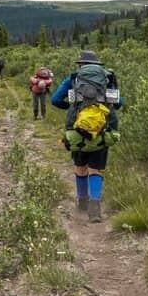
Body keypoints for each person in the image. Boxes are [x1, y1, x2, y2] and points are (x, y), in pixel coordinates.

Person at [51, 51, 122, 222]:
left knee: (80, 166)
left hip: (78, 129)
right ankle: (95, 208)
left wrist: (72, 106)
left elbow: (55, 100)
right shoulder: (108, 78)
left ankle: (82, 203)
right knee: (96, 169)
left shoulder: (74, 79)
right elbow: (119, 103)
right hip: (103, 127)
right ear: (98, 65)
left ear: (80, 64)